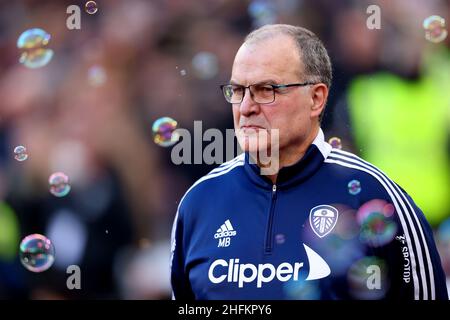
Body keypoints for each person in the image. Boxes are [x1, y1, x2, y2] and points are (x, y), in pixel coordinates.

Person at [170, 24, 448, 300]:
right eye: (238, 90)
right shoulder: (198, 203)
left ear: (316, 99)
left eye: (266, 90)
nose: (246, 107)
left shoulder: (376, 195)